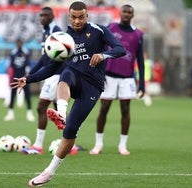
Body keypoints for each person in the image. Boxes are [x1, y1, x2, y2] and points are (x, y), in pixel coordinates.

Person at [11, 1, 126, 186]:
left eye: (81, 17)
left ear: (87, 16)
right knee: (64, 74)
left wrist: (104, 55)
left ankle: (49, 172)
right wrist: (28, 78)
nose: (77, 21)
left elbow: (121, 49)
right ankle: (61, 113)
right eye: (73, 17)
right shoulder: (64, 38)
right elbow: (51, 68)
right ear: (68, 16)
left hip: (93, 86)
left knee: (70, 132)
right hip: (73, 78)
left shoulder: (99, 30)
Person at [89, 4, 145, 156]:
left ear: (132, 15)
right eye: (124, 12)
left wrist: (142, 84)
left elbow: (139, 59)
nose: (126, 14)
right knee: (104, 108)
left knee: (125, 110)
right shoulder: (111, 28)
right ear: (120, 13)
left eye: (129, 12)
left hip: (127, 78)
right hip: (108, 76)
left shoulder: (138, 34)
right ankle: (98, 144)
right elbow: (100, 47)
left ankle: (122, 145)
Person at [28, 6, 63, 154]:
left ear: (52, 16)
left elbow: (56, 55)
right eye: (41, 15)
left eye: (45, 15)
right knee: (60, 112)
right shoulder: (46, 32)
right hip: (52, 73)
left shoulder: (55, 31)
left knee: (41, 107)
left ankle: (38, 145)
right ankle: (70, 145)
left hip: (55, 74)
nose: (42, 18)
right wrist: (30, 74)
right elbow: (44, 57)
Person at [3, 38, 35, 122]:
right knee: (12, 94)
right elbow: (11, 66)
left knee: (27, 95)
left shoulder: (25, 52)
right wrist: (11, 77)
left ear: (22, 43)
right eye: (17, 43)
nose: (19, 44)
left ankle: (29, 113)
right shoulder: (13, 52)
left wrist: (27, 76)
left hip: (23, 77)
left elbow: (28, 65)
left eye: (20, 43)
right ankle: (10, 113)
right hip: (15, 77)